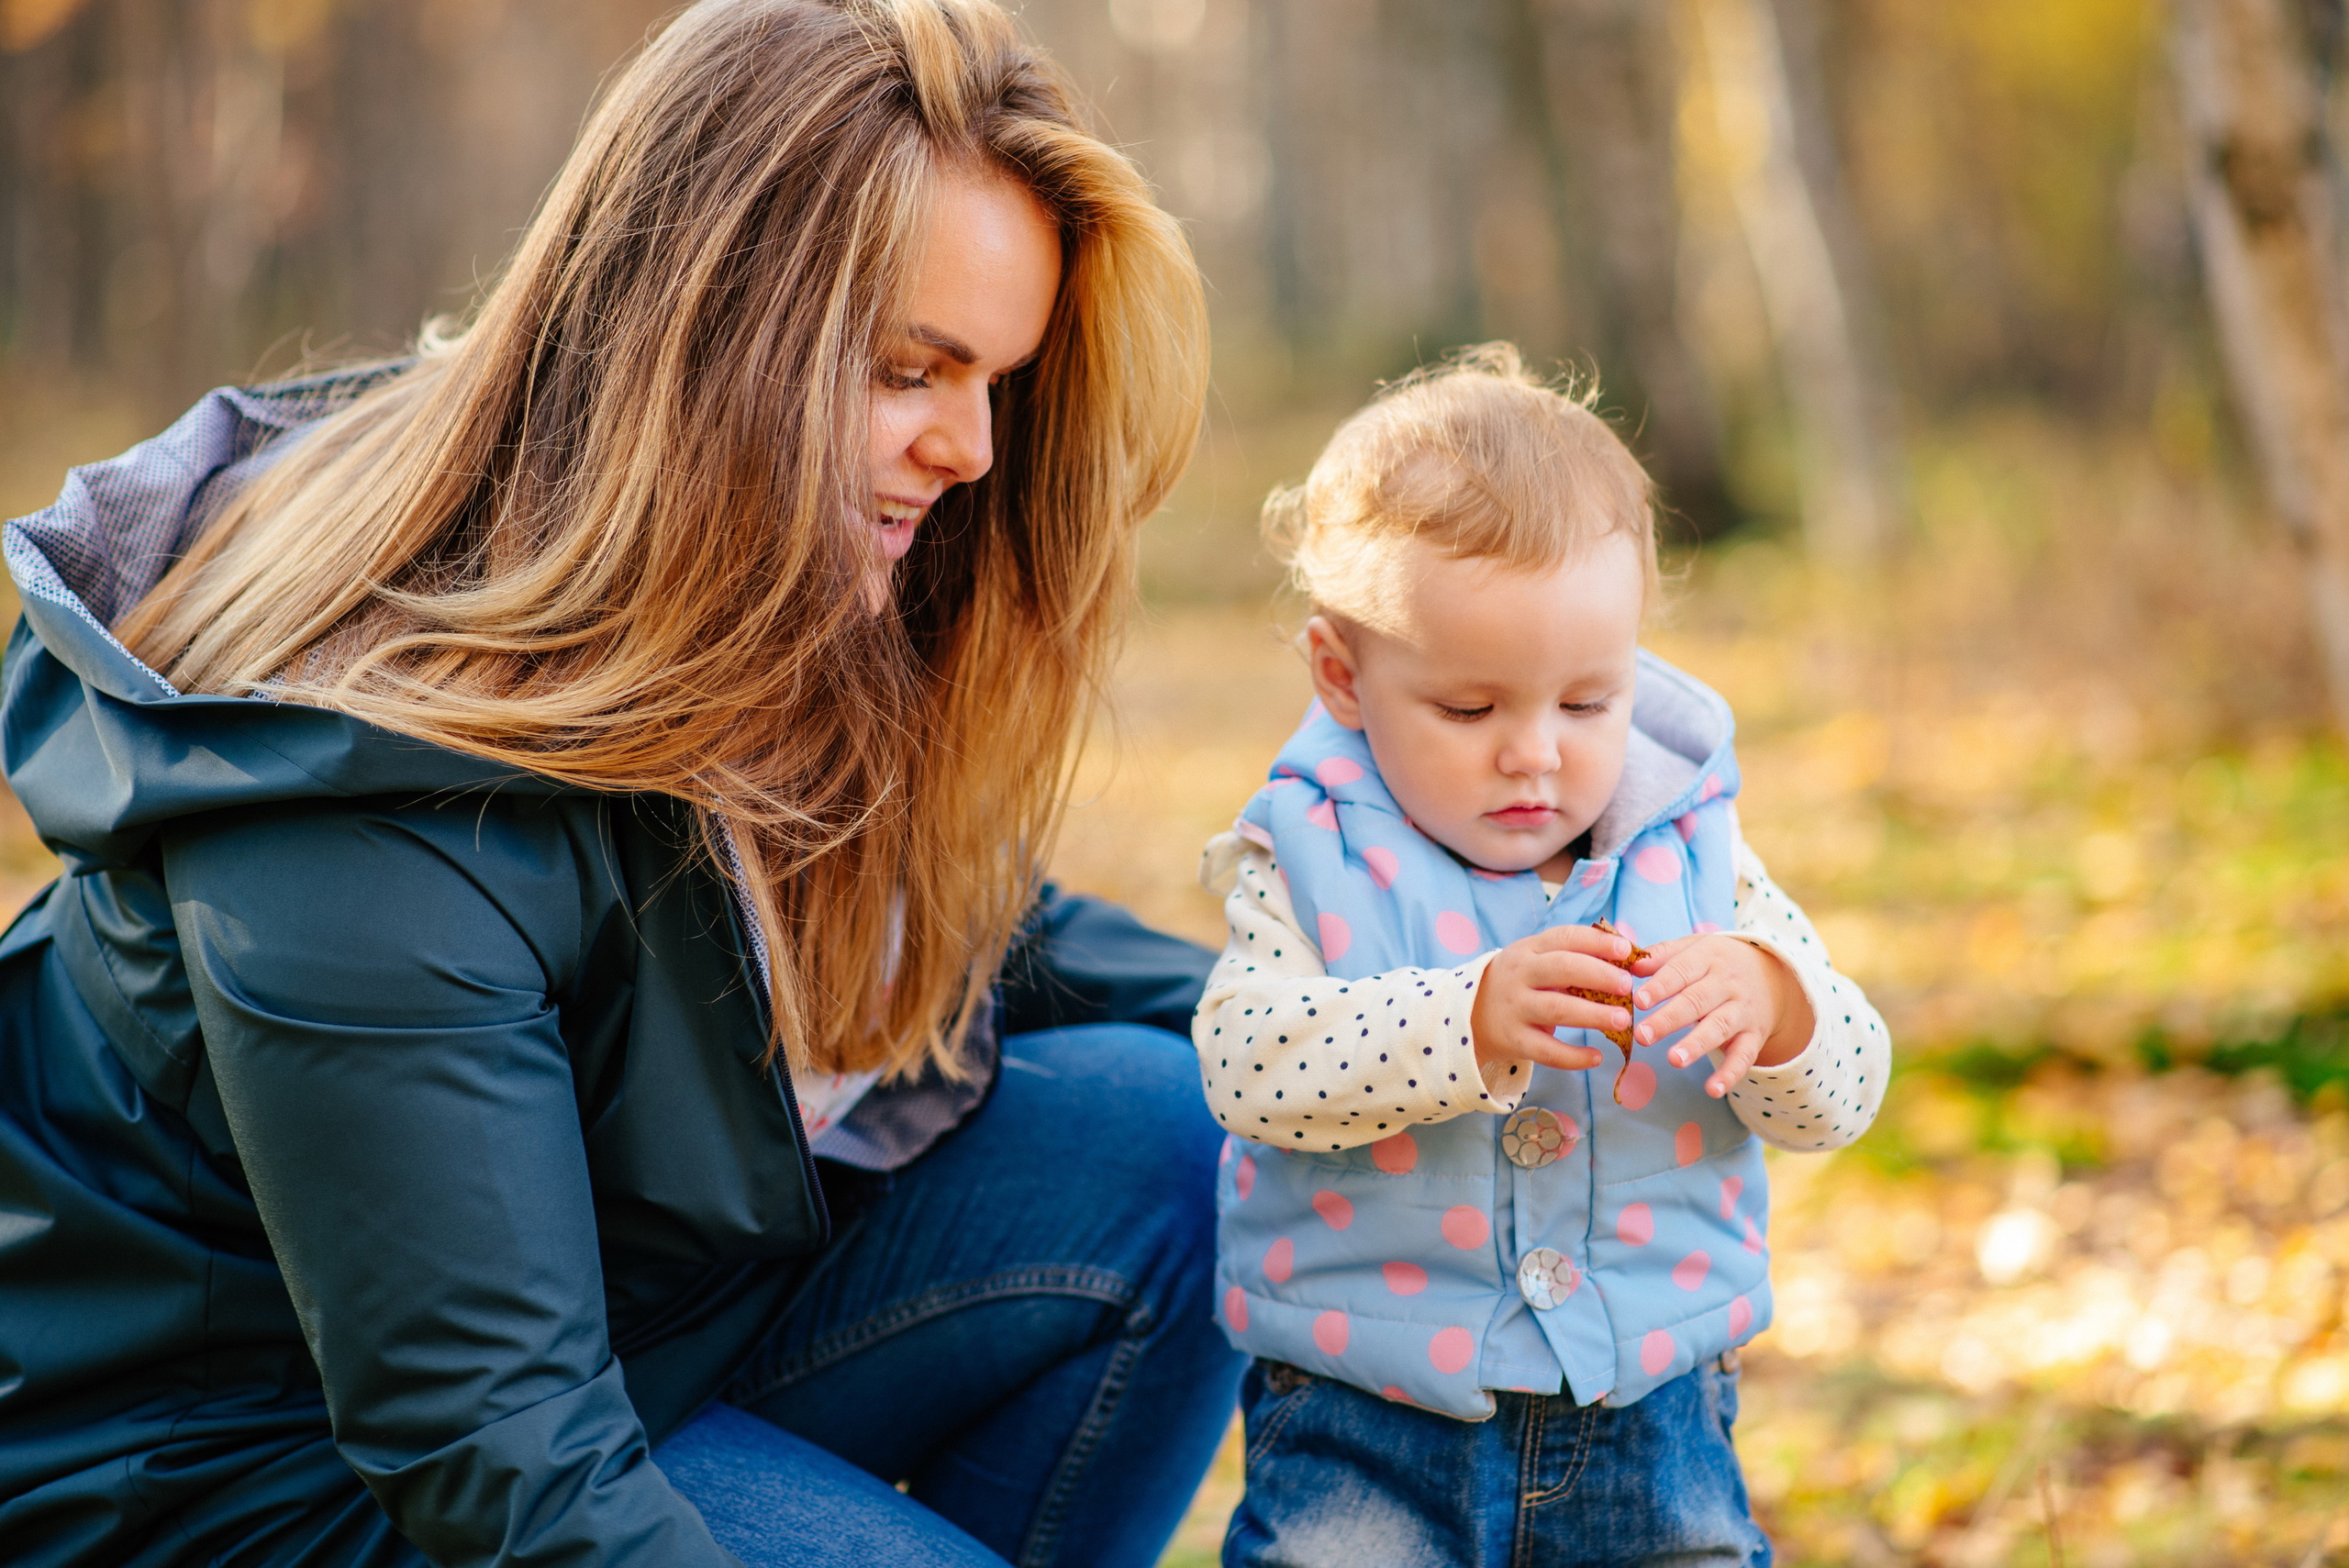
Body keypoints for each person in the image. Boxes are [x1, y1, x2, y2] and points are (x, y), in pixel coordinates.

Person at [0, 3, 1243, 1564]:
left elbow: (952, 934)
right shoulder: (365, 801)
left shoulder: (722, 586)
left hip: (625, 1340)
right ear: (705, 334)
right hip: (271, 1488)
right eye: (912, 370)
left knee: (1179, 1134)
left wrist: (1384, 1038)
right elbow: (503, 1471)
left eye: (996, 377)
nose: (975, 449)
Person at [1191, 345, 1891, 1566]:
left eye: (1587, 702)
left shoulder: (1701, 863)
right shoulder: (1307, 857)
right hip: (1367, 1419)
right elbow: (1247, 1065)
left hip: (1653, 1412)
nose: (1536, 754)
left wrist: (1777, 1006)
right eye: (1471, 709)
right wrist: (1460, 1022)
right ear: (1342, 674)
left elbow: (1843, 1091)